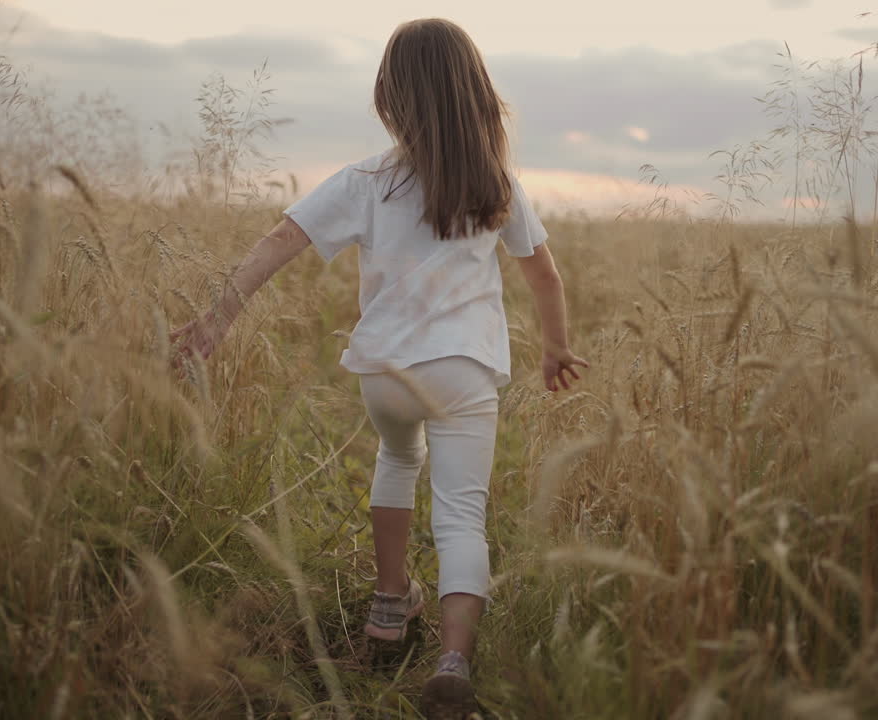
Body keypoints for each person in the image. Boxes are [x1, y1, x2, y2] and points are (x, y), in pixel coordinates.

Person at [170, 17, 588, 719]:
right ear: (476, 95)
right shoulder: (497, 183)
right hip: (463, 371)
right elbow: (544, 275)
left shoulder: (365, 181)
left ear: (390, 96)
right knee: (461, 516)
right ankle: (453, 656)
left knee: (397, 461)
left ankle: (389, 610)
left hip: (386, 375)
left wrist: (217, 319)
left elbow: (282, 238)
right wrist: (554, 346)